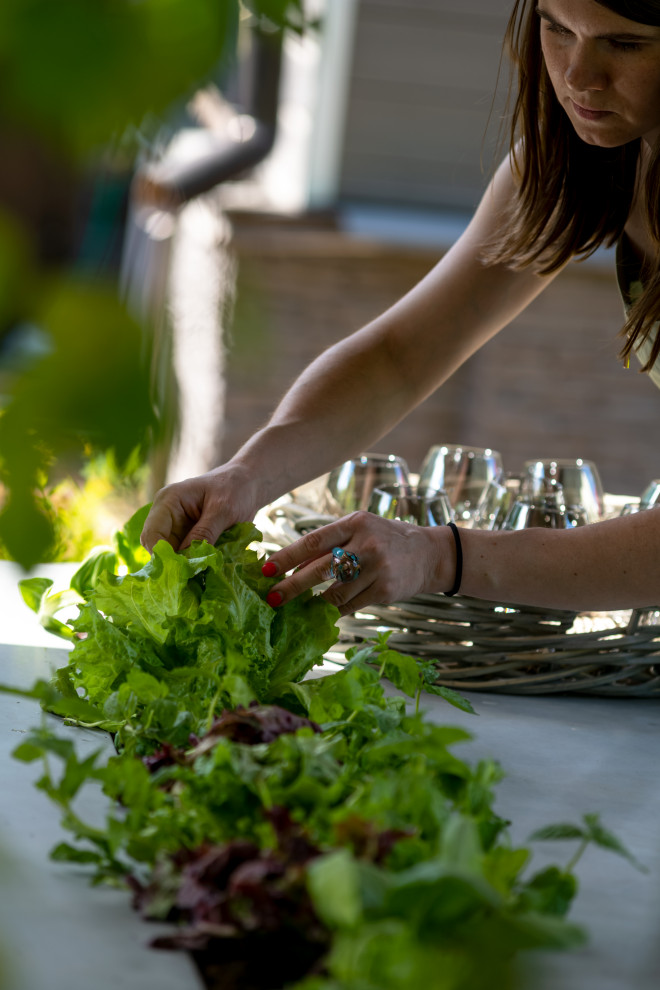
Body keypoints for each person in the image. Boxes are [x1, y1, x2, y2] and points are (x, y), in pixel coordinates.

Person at [141, 0, 660, 618]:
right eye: (556, 28)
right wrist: (246, 475)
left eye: (625, 45)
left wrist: (443, 557)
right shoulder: (569, 158)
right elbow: (400, 357)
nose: (578, 75)